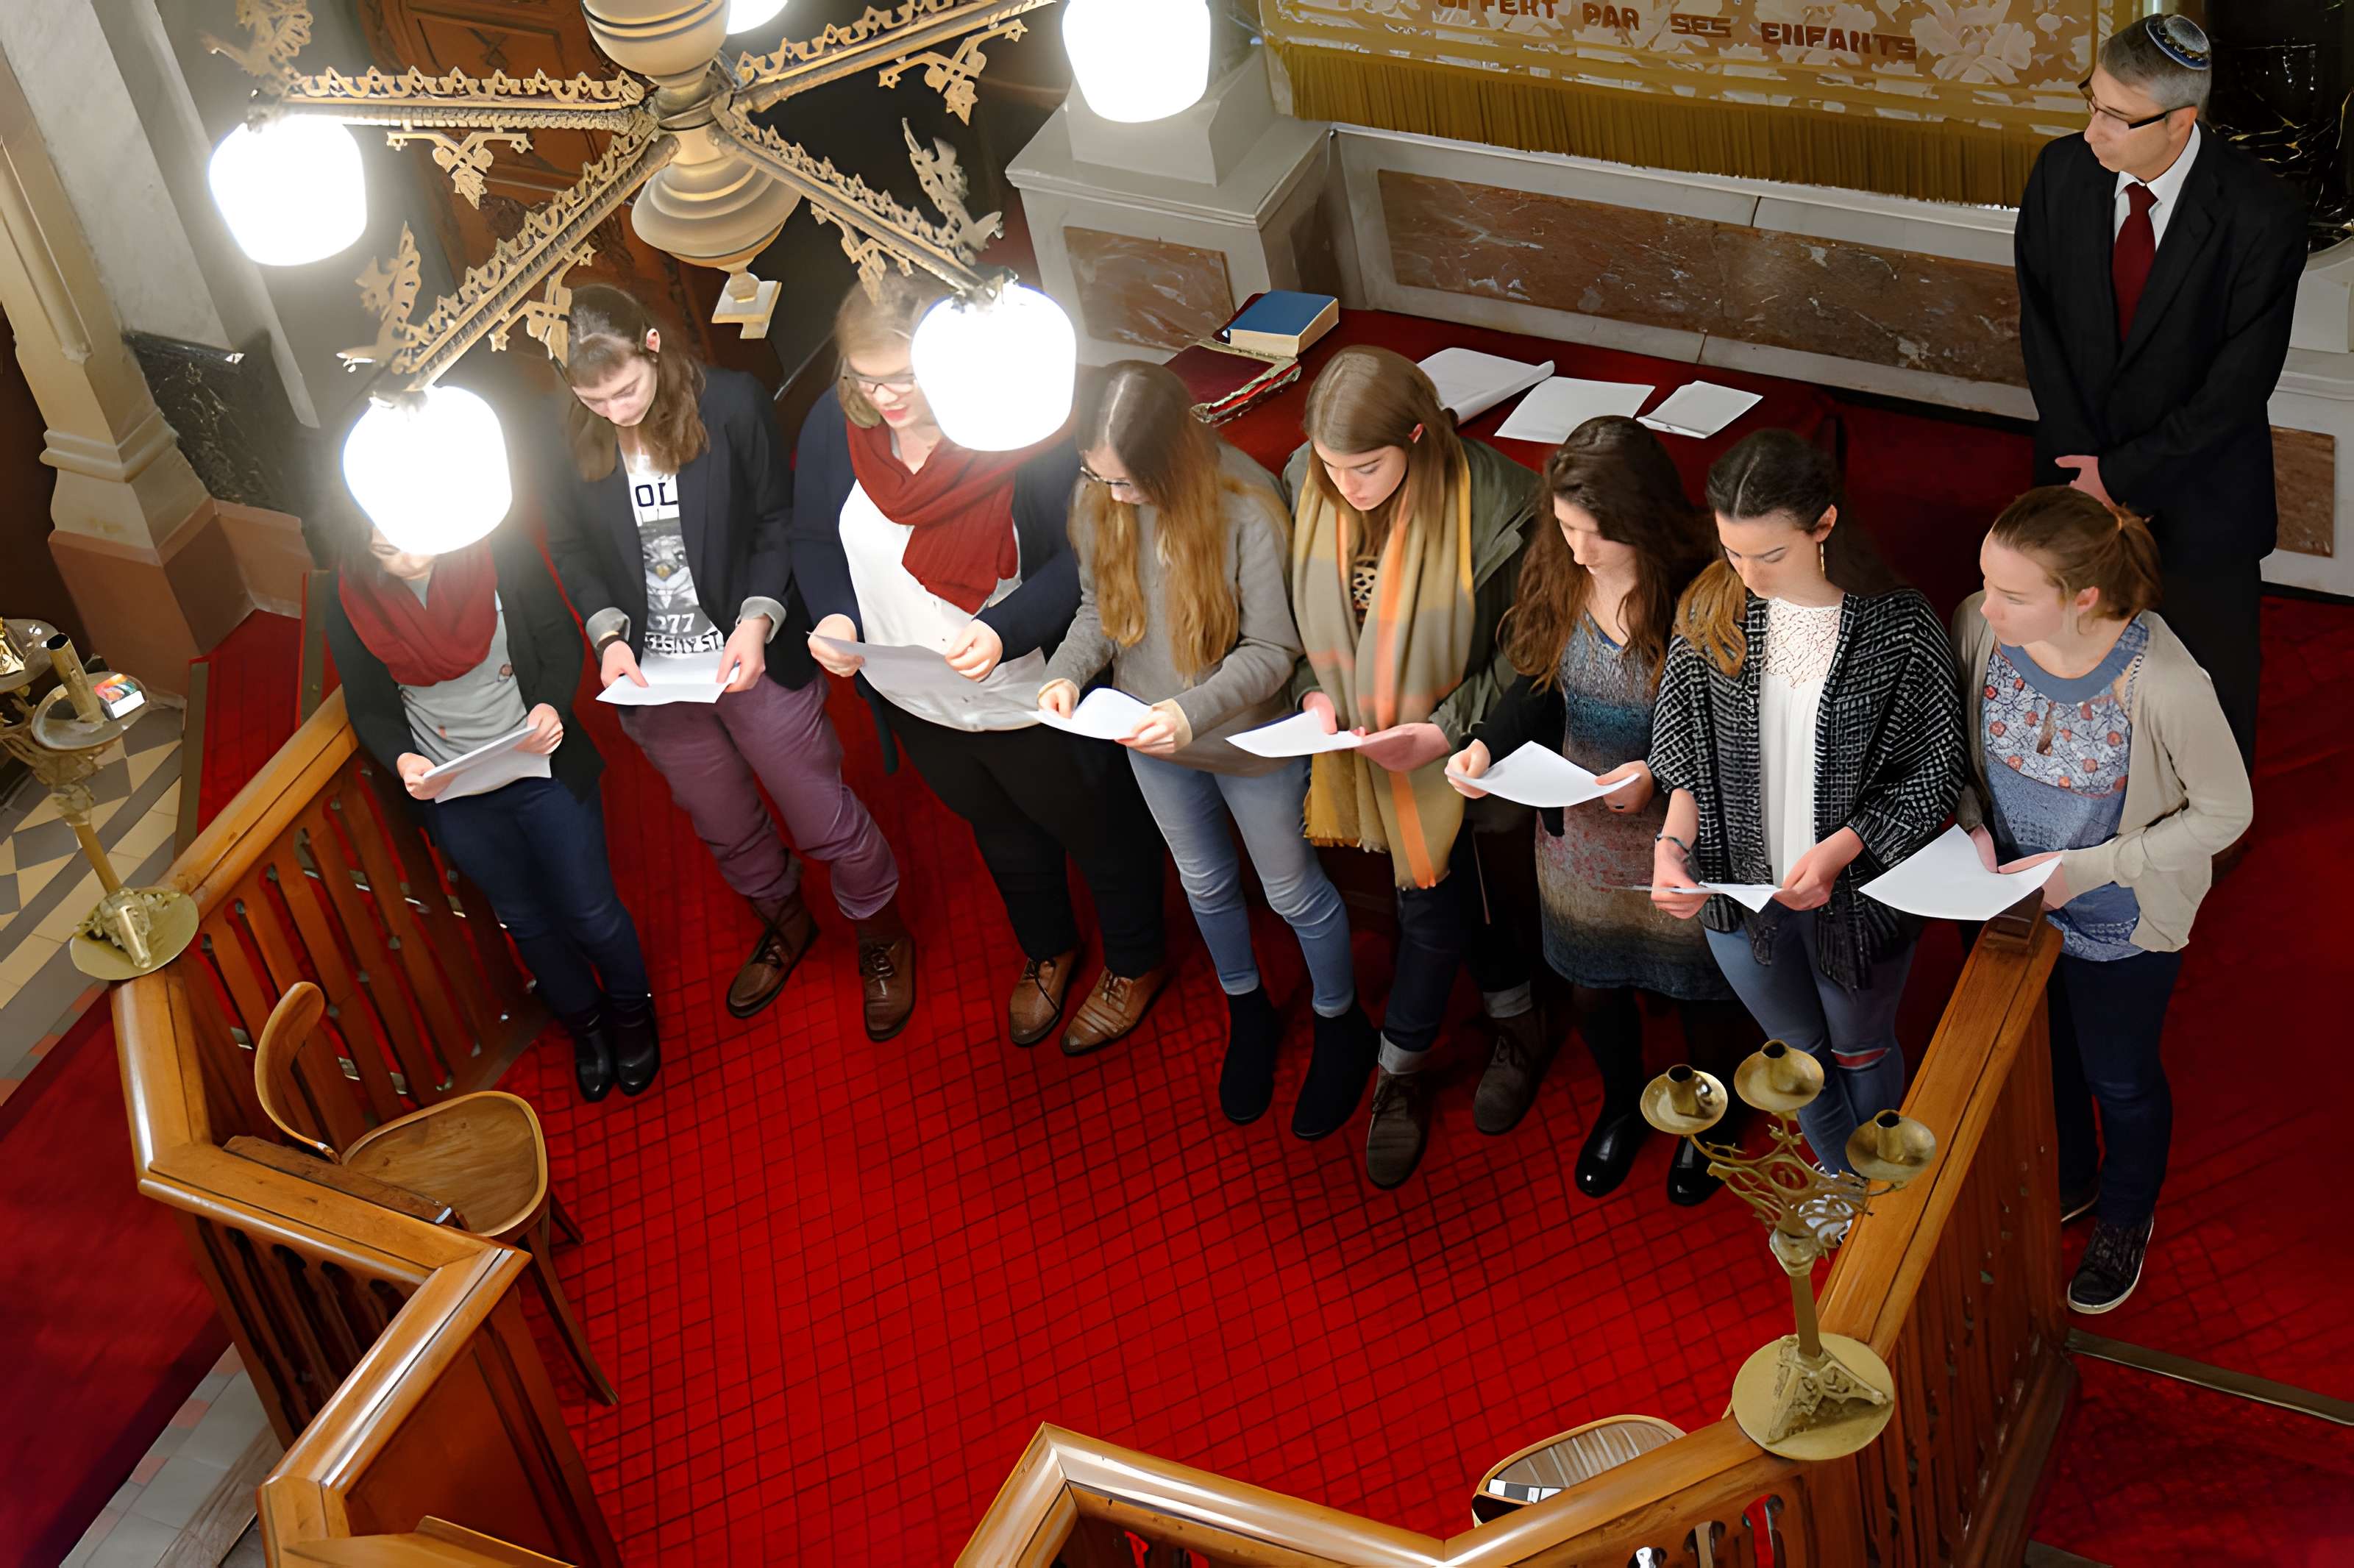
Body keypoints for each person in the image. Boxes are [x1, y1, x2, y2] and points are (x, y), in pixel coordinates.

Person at [794, 274, 1171, 1056]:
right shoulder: (839, 426)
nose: (884, 397)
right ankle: (1048, 948)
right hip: (913, 689)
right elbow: (812, 540)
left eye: (902, 377)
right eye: (865, 377)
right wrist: (834, 612)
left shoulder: (1017, 427)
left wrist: (1002, 630)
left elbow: (1084, 560)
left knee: (1097, 830)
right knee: (998, 832)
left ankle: (1133, 960)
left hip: (1032, 686)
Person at [542, 285, 914, 1041]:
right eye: (595, 398)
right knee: (722, 821)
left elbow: (781, 521)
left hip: (750, 650)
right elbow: (574, 549)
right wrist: (608, 634)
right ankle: (785, 920)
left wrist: (754, 619)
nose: (615, 411)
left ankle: (880, 932)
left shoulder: (733, 404)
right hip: (653, 673)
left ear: (653, 347)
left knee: (818, 812)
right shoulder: (569, 433)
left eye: (626, 390)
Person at [1036, 363, 1372, 1127]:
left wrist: (1188, 713)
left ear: (1169, 458)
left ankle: (1338, 1020)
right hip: (1150, 735)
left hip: (1245, 739)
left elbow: (1271, 650)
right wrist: (1065, 673)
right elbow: (1097, 607)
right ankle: (1247, 1011)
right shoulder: (1099, 494)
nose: (1113, 496)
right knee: (1204, 884)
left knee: (1290, 891)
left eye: (1127, 481)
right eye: (1099, 476)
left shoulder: (1246, 505)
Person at [1955, 486, 2251, 1314]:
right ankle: (2074, 1179)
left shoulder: (2163, 680)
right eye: (1986, 579)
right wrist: (1973, 825)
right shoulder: (1979, 626)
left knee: (2118, 1076)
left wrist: (2087, 870)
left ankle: (2123, 1214)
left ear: (2083, 597)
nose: (1989, 603)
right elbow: (1956, 748)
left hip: (2119, 914)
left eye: (2014, 593)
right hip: (2012, 898)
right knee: (2046, 1055)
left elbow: (2227, 812)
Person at [1448, 417, 1759, 1203]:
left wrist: (1656, 773)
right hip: (1581, 830)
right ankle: (1622, 1101)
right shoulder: (1560, 569)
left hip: (1677, 833)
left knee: (1698, 987)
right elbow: (1534, 680)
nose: (1577, 549)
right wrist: (1484, 745)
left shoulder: (1703, 587)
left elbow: (1733, 723)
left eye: (1594, 533)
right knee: (1593, 984)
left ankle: (1707, 1118)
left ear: (1640, 518)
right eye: (1565, 529)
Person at [1647, 430, 1963, 1176]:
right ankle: (1838, 1182)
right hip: (1737, 892)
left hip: (1853, 897)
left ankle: (1882, 1197)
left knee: (1858, 1050)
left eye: (1770, 554)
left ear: (1823, 524)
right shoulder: (1710, 607)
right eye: (1732, 551)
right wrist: (1669, 846)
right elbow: (1684, 753)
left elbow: (1932, 770)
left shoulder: (1897, 624)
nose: (1748, 575)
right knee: (1795, 1060)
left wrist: (1839, 848)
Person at [1279, 346, 1543, 1189]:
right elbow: (1300, 628)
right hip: (1361, 743)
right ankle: (1515, 1010)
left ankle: (1396, 1069)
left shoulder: (1500, 503)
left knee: (1427, 909)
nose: (1346, 487)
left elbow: (1527, 654)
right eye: (1330, 467)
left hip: (1461, 750)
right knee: (1444, 904)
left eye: (1366, 467)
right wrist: (1314, 694)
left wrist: (1440, 729)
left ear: (1420, 436)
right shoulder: (1306, 478)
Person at [2013, 13, 2305, 769]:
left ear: (2180, 121)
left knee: (2210, 679)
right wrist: (2083, 466)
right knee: (2075, 669)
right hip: (2073, 479)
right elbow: (2039, 323)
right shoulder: (2059, 173)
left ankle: (2215, 831)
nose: (2091, 131)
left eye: (2115, 116)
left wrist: (2120, 475)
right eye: (2091, 101)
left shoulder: (2258, 214)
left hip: (2200, 495)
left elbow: (2236, 386)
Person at [324, 511, 657, 1102]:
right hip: (455, 786)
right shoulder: (346, 592)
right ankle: (584, 1023)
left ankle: (632, 1013)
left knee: (589, 908)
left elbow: (556, 635)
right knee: (524, 918)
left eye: (417, 540)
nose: (410, 561)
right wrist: (404, 760)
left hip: (539, 757)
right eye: (387, 551)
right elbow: (368, 699)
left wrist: (552, 706)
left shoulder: (495, 545)